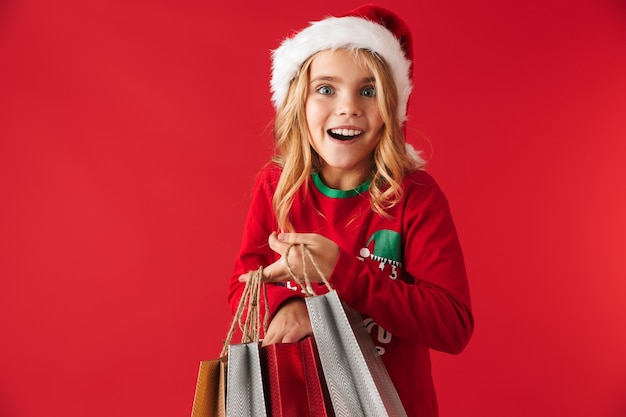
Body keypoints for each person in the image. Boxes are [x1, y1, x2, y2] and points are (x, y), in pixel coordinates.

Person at [228, 4, 473, 416]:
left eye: (368, 90)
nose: (349, 107)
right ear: (298, 102)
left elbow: (452, 325)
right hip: (297, 404)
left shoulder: (415, 196)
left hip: (394, 405)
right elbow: (242, 290)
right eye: (326, 89)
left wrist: (341, 274)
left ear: (391, 110)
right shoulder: (275, 187)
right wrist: (293, 306)